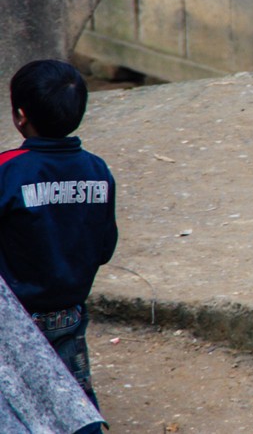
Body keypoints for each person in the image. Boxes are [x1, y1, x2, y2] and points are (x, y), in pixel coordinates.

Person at [0, 59, 118, 432]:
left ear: (20, 116)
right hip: (69, 312)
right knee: (72, 395)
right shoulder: (97, 170)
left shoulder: (8, 169)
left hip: (13, 318)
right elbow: (105, 246)